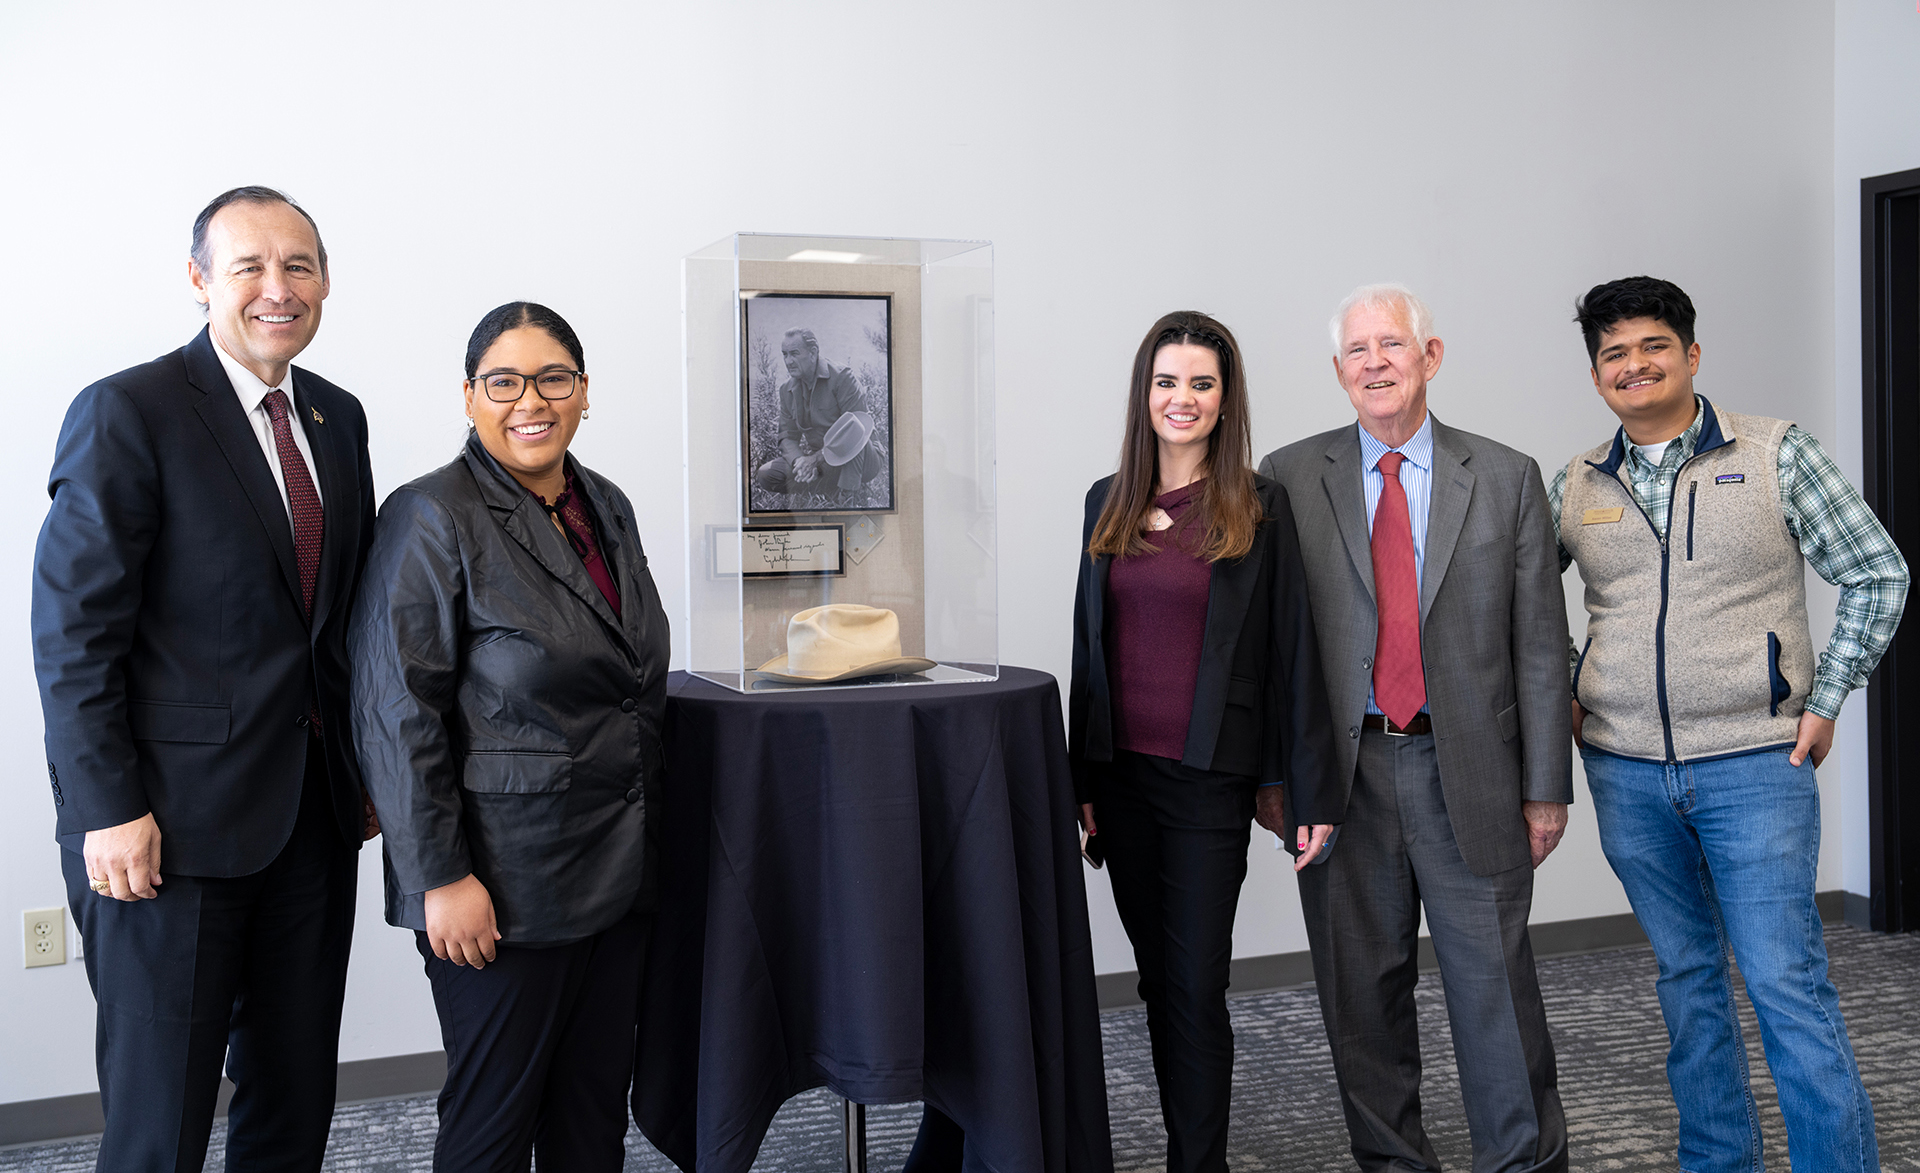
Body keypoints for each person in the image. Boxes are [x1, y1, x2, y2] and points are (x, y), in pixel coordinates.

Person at [31, 185, 379, 1171]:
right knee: (161, 1118)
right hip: (166, 833)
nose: (279, 288)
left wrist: (364, 776)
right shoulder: (128, 412)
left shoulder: (337, 418)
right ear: (199, 282)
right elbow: (73, 635)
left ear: (323, 283)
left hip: (311, 824)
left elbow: (335, 626)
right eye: (250, 267)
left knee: (293, 1097)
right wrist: (106, 807)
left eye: (299, 266)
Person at [1555, 276, 1907, 1173]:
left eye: (1652, 346)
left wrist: (1827, 696)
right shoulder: (1578, 481)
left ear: (1691, 354)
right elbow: (1515, 605)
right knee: (1687, 983)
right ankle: (1721, 1161)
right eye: (1614, 354)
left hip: (1756, 760)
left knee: (1787, 984)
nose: (1634, 365)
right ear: (1597, 373)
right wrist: (1569, 682)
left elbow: (1877, 570)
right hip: (1626, 771)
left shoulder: (1777, 450)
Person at [348, 302, 670, 1171]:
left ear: (584, 392)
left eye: (554, 378)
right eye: (504, 381)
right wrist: (440, 877)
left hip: (619, 870)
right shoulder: (430, 515)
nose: (531, 400)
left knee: (592, 1119)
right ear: (469, 396)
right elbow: (394, 710)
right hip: (502, 885)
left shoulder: (607, 504)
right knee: (493, 1127)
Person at [1258, 284, 1571, 1173]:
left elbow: (1541, 645)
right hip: (1341, 780)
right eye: (1357, 351)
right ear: (1337, 372)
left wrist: (1546, 786)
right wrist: (1274, 777)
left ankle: (1523, 1164)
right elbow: (1269, 651)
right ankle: (1393, 1164)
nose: (1375, 363)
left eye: (1392, 344)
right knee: (1361, 997)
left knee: (1496, 995)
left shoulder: (1506, 475)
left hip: (1467, 770)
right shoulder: (1287, 476)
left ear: (1431, 357)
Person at [1066, 310, 1340, 1173]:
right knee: (1158, 983)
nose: (1182, 398)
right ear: (1144, 394)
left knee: (1196, 987)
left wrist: (1308, 790)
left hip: (1205, 782)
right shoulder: (1103, 501)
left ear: (1225, 401)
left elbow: (1293, 649)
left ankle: (1200, 1164)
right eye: (1167, 381)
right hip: (1119, 781)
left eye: (1201, 383)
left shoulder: (1258, 506)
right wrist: (1078, 775)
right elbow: (1089, 649)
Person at [754, 326, 882, 496]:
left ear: (813, 353)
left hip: (864, 459)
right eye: (785, 354)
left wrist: (815, 459)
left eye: (794, 353)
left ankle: (850, 497)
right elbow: (787, 437)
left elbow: (858, 431)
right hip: (823, 462)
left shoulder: (842, 377)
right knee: (767, 474)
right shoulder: (786, 390)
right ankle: (829, 487)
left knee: (855, 433)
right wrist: (800, 462)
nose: (788, 361)